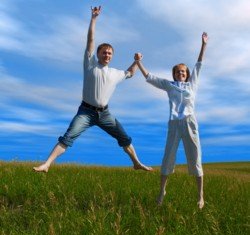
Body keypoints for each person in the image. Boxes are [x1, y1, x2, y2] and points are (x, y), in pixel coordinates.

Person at [33, 6, 153, 173]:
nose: (107, 55)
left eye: (110, 53)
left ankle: (136, 163)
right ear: (97, 54)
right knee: (68, 137)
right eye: (104, 52)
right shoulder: (90, 64)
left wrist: (136, 61)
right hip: (85, 112)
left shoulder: (115, 73)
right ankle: (46, 164)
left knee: (124, 138)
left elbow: (131, 73)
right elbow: (90, 40)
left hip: (105, 114)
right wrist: (94, 19)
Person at [134, 32, 208, 209]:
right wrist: (138, 62)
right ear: (174, 74)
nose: (181, 73)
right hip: (174, 124)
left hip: (190, 123)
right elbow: (150, 77)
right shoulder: (169, 85)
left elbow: (199, 64)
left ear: (186, 74)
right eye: (178, 71)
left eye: (183, 71)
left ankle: (200, 196)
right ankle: (162, 192)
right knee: (167, 159)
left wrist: (203, 45)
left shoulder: (192, 84)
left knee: (195, 158)